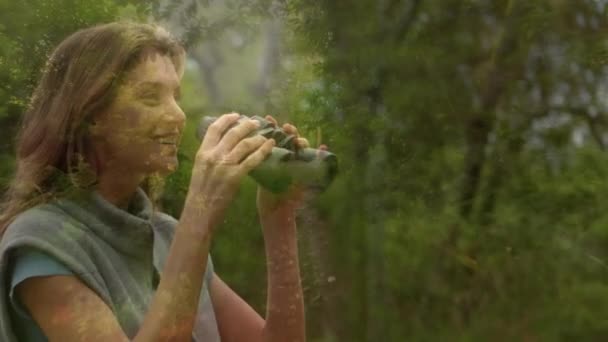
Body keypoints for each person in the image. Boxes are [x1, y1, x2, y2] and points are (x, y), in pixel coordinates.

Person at [0, 21, 314, 341]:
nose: (178, 115)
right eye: (151, 97)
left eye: (175, 96)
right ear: (90, 115)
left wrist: (279, 220)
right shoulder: (42, 244)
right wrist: (200, 214)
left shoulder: (167, 235)